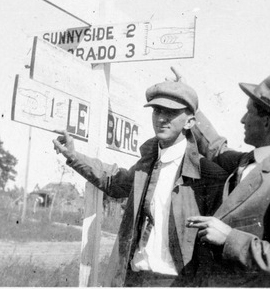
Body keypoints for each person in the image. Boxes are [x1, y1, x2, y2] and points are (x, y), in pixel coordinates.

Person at [52, 80, 229, 287]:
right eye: (157, 111)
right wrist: (73, 156)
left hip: (176, 282)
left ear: (190, 122)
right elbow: (115, 182)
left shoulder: (209, 175)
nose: (161, 119)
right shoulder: (148, 164)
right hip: (135, 278)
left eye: (170, 113)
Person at [179, 71, 270, 287]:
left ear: (267, 123)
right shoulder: (252, 161)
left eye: (248, 112)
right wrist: (190, 106)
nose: (242, 120)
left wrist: (229, 238)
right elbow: (216, 148)